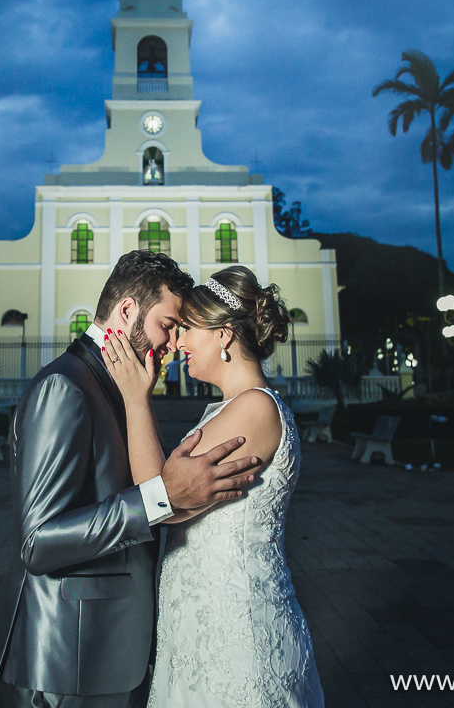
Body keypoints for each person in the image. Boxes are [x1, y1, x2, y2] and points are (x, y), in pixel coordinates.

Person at [0, 251, 261, 708]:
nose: (173, 342)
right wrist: (160, 498)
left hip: (109, 650)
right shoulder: (66, 386)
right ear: (127, 311)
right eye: (169, 324)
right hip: (65, 662)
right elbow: (38, 541)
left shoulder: (122, 380)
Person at [102, 265, 324, 708]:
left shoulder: (255, 409)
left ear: (223, 335)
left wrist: (135, 399)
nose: (178, 343)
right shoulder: (230, 408)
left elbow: (160, 499)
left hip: (233, 625)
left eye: (187, 330)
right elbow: (169, 491)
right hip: (203, 618)